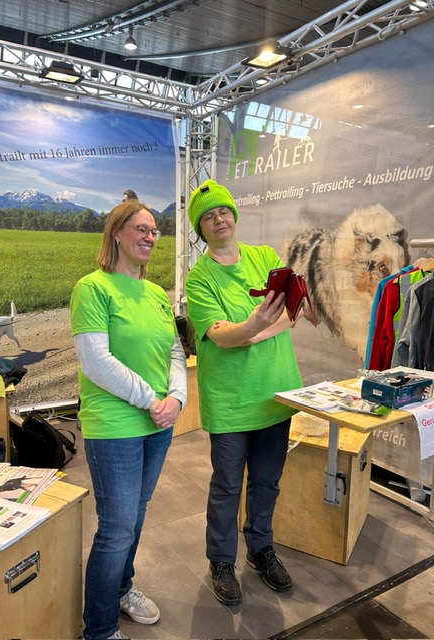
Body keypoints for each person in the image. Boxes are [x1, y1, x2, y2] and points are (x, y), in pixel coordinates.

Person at [70, 200, 187, 640]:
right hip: (115, 424)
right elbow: (96, 361)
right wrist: (151, 399)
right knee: (116, 528)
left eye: (154, 230)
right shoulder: (93, 288)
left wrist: (177, 397)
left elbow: (175, 350)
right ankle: (99, 631)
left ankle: (121, 588)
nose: (150, 237)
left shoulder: (156, 294)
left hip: (158, 423)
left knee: (135, 517)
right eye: (140, 229)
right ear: (116, 233)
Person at [185, 179, 304, 607]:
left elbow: (292, 313)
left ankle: (260, 549)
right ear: (200, 229)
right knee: (227, 486)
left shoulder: (265, 258)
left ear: (234, 216)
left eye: (223, 211)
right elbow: (219, 336)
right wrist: (252, 327)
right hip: (231, 401)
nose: (219, 219)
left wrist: (249, 333)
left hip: (276, 395)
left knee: (267, 482)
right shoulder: (199, 279)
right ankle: (221, 561)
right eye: (208, 216)